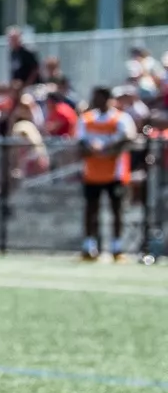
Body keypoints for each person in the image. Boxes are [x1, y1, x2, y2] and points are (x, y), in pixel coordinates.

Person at [77, 86, 135, 262]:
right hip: (92, 172)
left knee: (116, 210)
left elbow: (128, 138)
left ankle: (117, 248)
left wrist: (107, 148)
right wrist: (93, 149)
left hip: (114, 173)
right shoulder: (86, 119)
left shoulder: (120, 118)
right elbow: (81, 144)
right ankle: (89, 246)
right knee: (91, 210)